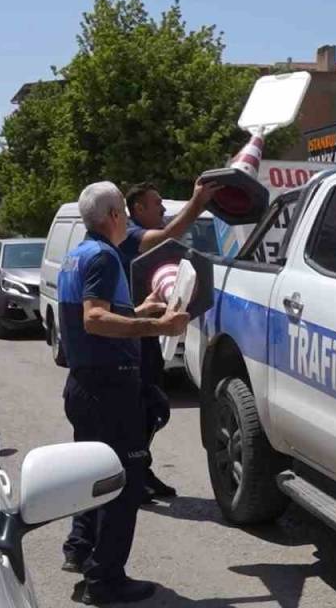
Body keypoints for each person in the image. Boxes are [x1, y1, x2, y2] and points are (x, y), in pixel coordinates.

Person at [57, 181, 190, 604]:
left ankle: (83, 556)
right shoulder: (103, 256)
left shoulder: (76, 255)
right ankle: (106, 580)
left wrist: (139, 309)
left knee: (94, 478)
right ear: (116, 215)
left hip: (85, 384)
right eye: (126, 214)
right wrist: (159, 326)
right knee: (123, 483)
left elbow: (89, 315)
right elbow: (95, 319)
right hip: (108, 388)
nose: (129, 221)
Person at [121, 179, 220, 502]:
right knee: (143, 409)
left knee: (153, 407)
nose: (163, 209)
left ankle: (139, 470)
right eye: (157, 204)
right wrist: (197, 203)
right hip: (133, 337)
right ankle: (132, 475)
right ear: (138, 209)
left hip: (145, 332)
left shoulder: (134, 236)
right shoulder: (133, 235)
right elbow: (166, 237)